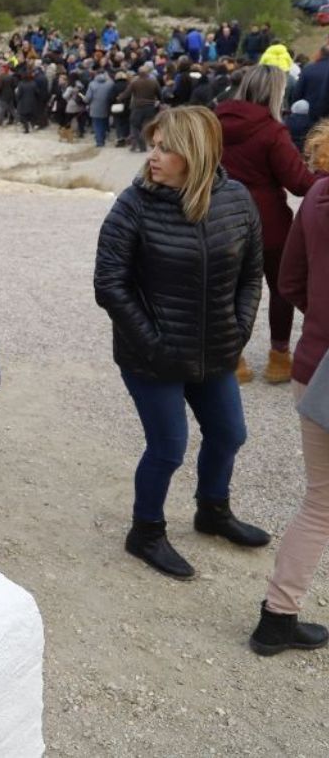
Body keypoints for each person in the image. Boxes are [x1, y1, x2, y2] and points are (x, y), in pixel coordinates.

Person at [94, 106, 266, 579]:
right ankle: (145, 530)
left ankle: (212, 511)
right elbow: (109, 284)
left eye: (166, 147)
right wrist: (153, 342)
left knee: (230, 433)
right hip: (151, 357)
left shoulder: (236, 199)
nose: (154, 155)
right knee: (168, 447)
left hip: (215, 350)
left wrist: (239, 329)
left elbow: (252, 273)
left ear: (195, 152)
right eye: (153, 144)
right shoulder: (134, 205)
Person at [247, 170, 329, 655]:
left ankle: (278, 615)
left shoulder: (319, 193)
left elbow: (291, 282)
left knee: (318, 503)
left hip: (314, 365)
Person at [216, 64, 322, 384]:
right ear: (275, 93)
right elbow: (299, 183)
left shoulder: (213, 123)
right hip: (269, 223)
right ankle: (279, 358)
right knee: (280, 289)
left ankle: (233, 358)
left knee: (230, 290)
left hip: (223, 220)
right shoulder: (272, 131)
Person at [117, 63, 162, 152]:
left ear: (139, 73)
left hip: (137, 107)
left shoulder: (135, 83)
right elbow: (159, 94)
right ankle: (144, 144)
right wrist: (159, 101)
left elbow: (127, 93)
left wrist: (119, 98)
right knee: (145, 127)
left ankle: (141, 145)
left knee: (135, 126)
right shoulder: (154, 82)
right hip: (150, 107)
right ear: (148, 73)